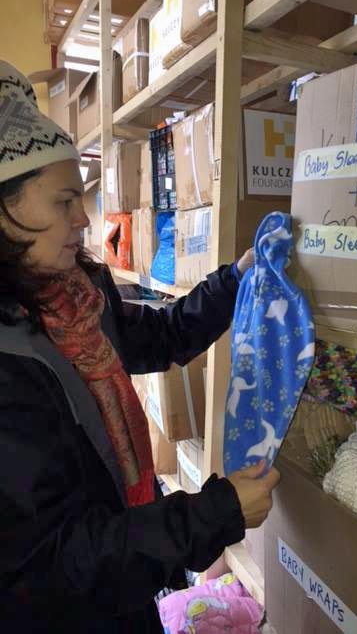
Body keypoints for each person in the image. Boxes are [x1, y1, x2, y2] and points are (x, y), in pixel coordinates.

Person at [0, 61, 280, 633]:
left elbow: (159, 335)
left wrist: (236, 279)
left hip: (124, 588)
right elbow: (52, 564)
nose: (84, 217)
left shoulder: (76, 293)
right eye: (63, 202)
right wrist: (211, 517)